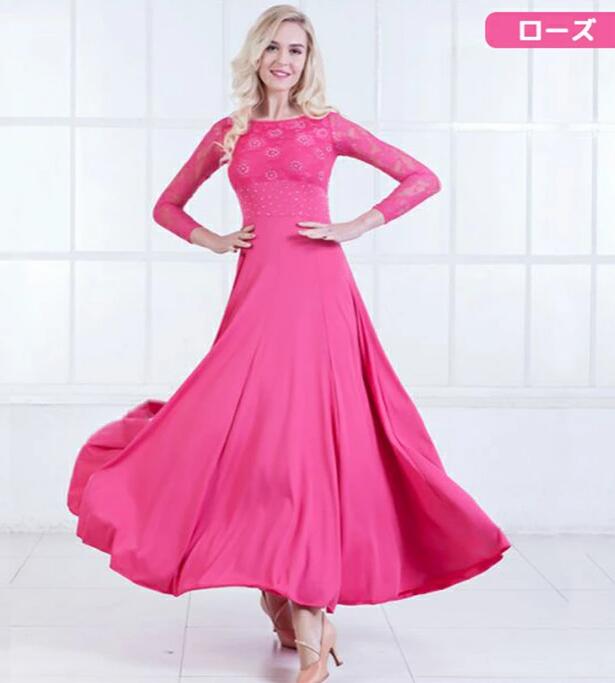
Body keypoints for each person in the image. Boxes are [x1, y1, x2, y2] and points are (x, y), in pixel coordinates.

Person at [67, 4, 511, 682]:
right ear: (256, 55)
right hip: (256, 295)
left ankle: (306, 618)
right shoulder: (230, 132)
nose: (284, 60)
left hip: (319, 293)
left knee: (305, 442)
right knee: (250, 435)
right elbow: (166, 206)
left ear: (309, 61)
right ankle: (284, 600)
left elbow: (421, 177)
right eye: (274, 47)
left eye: (296, 50)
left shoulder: (327, 125)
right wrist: (216, 240)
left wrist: (356, 224)